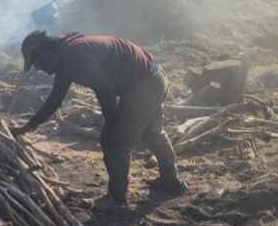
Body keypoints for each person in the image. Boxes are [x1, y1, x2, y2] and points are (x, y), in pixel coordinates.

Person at [17, 31, 187, 207]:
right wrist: (28, 127)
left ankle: (116, 199)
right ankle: (171, 181)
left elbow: (105, 90)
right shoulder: (66, 54)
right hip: (155, 77)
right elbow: (55, 100)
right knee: (152, 132)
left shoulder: (73, 55)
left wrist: (112, 123)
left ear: (45, 51)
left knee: (113, 141)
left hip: (143, 85)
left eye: (37, 62)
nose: (39, 68)